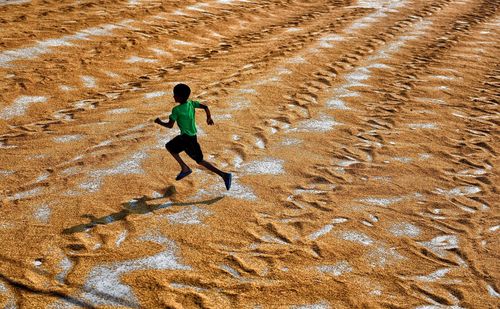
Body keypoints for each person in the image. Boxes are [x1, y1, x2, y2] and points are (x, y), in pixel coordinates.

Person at [154, 83, 232, 190]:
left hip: (186, 139)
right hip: (192, 138)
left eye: (175, 95)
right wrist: (208, 118)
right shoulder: (191, 103)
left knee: (170, 147)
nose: (173, 97)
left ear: (180, 97)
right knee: (199, 160)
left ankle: (186, 168)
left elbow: (170, 125)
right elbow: (205, 107)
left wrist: (159, 122)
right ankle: (223, 175)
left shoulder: (176, 110)